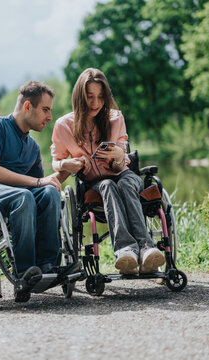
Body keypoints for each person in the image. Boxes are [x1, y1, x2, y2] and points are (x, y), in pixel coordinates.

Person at [0, 80, 68, 301]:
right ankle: (24, 272)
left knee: (50, 193)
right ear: (28, 106)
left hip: (14, 192)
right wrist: (37, 182)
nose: (49, 117)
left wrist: (65, 170)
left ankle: (47, 265)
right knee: (24, 195)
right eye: (45, 110)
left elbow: (42, 184)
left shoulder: (33, 147)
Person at [50, 68, 165, 274]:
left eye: (101, 97)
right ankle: (126, 251)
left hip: (125, 175)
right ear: (79, 97)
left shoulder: (115, 118)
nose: (95, 103)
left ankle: (146, 248)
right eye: (90, 97)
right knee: (107, 185)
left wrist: (119, 156)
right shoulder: (64, 125)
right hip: (95, 183)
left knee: (123, 182)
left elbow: (123, 166)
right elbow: (56, 160)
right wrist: (65, 165)